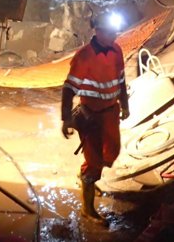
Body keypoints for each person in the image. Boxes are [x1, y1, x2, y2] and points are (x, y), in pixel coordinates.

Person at [60, 11, 130, 226]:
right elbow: (69, 88)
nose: (115, 36)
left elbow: (121, 79)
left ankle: (89, 174)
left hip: (110, 112)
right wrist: (66, 119)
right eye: (110, 32)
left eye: (115, 32)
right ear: (97, 31)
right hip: (90, 117)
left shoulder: (116, 50)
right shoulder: (84, 57)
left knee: (112, 151)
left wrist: (125, 105)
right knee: (94, 163)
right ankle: (87, 208)